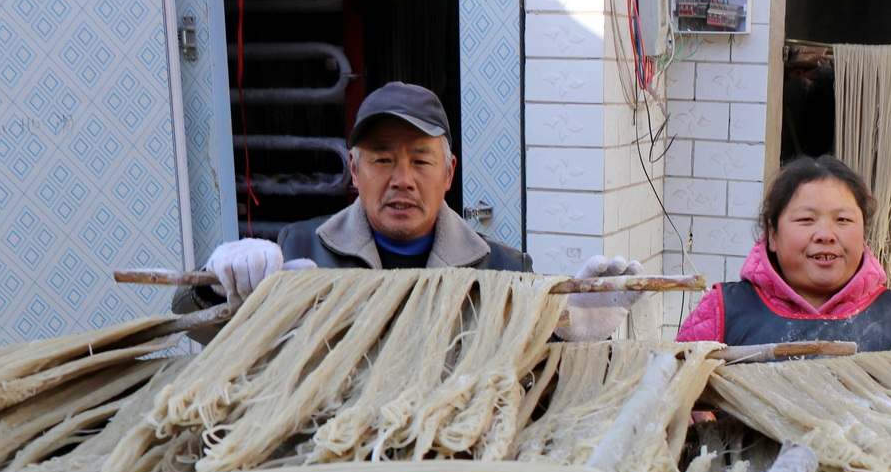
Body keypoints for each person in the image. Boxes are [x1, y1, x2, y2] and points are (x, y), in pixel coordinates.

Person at [191, 81, 637, 341]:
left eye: (421, 160)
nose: (402, 178)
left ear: (448, 173)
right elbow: (202, 331)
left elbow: (534, 384)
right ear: (354, 169)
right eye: (382, 159)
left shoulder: (504, 269)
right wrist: (218, 285)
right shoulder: (300, 248)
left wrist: (568, 332)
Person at [676, 155, 891, 351]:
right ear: (773, 235)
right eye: (806, 220)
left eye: (843, 220)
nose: (826, 235)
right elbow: (667, 390)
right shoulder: (723, 311)